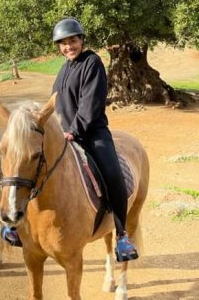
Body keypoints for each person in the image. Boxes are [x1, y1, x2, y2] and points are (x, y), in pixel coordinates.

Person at [51, 17, 139, 262]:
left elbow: (90, 104)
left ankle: (122, 235)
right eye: (64, 43)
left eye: (73, 40)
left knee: (113, 175)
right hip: (64, 135)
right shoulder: (64, 68)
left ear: (81, 40)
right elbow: (57, 103)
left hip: (92, 134)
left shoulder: (92, 62)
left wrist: (73, 130)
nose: (69, 46)